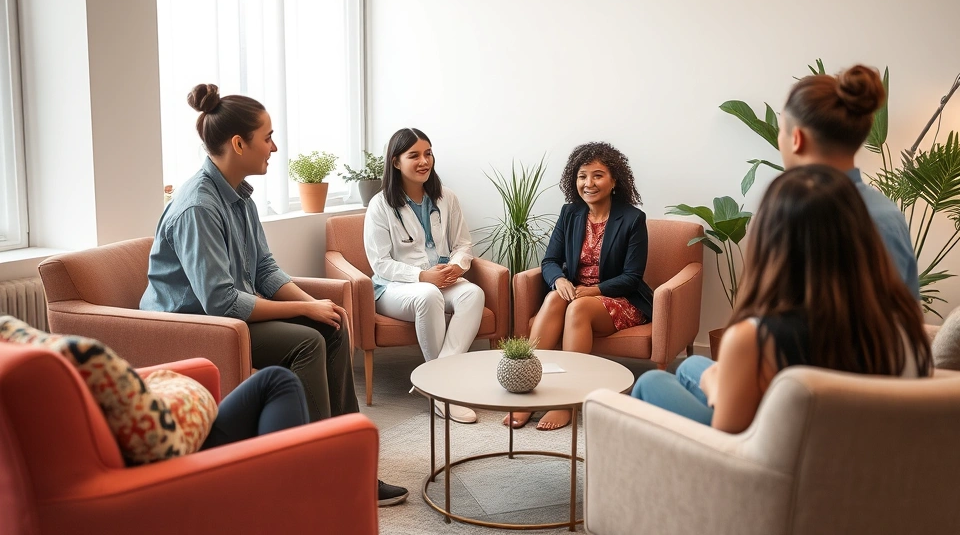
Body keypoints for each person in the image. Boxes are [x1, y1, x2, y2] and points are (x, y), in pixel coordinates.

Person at [140, 83, 407, 506]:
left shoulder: (240, 197)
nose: (275, 147)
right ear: (238, 142)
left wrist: (316, 305)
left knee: (331, 326)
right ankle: (318, 471)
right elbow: (221, 301)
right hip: (197, 326)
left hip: (228, 317)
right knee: (305, 339)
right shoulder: (198, 206)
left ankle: (348, 463)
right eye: (267, 137)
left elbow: (263, 269)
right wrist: (304, 308)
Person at [631, 165, 933, 433]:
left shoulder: (756, 337)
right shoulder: (899, 321)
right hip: (842, 449)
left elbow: (728, 444)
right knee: (691, 365)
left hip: (765, 458)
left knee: (651, 383)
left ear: (771, 242)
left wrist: (715, 388)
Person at [508, 141, 653, 431]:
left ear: (614, 181)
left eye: (597, 175)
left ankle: (567, 401)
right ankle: (526, 390)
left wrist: (593, 291)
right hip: (575, 293)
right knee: (552, 300)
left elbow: (632, 276)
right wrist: (559, 280)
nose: (588, 183)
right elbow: (550, 260)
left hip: (619, 298)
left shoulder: (633, 219)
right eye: (582, 176)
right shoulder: (570, 213)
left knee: (578, 309)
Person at [364, 127, 485, 424]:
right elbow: (380, 262)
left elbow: (463, 244)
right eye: (414, 155)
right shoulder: (380, 205)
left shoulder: (447, 198)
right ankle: (445, 393)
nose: (424, 161)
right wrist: (421, 276)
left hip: (442, 278)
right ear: (396, 162)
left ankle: (434, 382)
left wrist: (458, 266)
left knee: (473, 293)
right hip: (394, 288)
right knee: (428, 296)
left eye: (428, 153)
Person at [777, 64, 919, 300]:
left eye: (781, 130)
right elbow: (908, 315)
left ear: (796, 139)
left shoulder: (788, 214)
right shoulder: (888, 214)